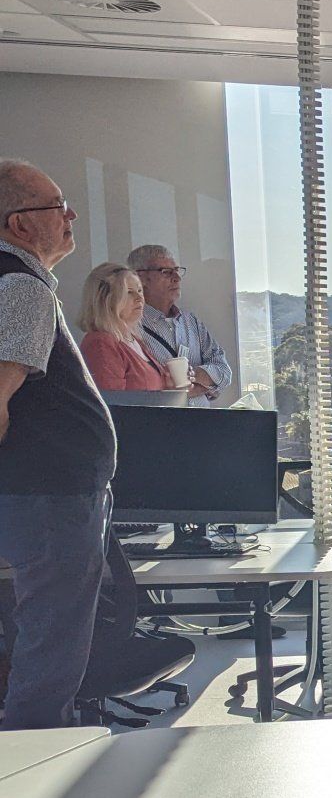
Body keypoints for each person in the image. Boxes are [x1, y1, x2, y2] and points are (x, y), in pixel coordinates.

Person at [0, 158, 115, 730]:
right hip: (48, 498)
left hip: (41, 495)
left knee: (45, 641)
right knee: (53, 650)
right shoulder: (22, 286)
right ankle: (35, 764)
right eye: (58, 206)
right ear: (19, 224)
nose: (70, 216)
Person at [127, 243, 230, 405]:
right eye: (166, 272)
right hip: (161, 420)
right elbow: (138, 388)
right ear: (140, 278)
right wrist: (206, 385)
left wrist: (194, 375)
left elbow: (224, 371)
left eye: (177, 270)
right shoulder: (129, 327)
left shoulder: (191, 322)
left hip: (202, 420)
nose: (177, 277)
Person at [77, 262, 171, 391]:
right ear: (106, 299)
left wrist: (172, 385)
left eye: (139, 290)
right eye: (129, 292)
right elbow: (112, 400)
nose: (139, 298)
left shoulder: (133, 339)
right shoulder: (101, 343)